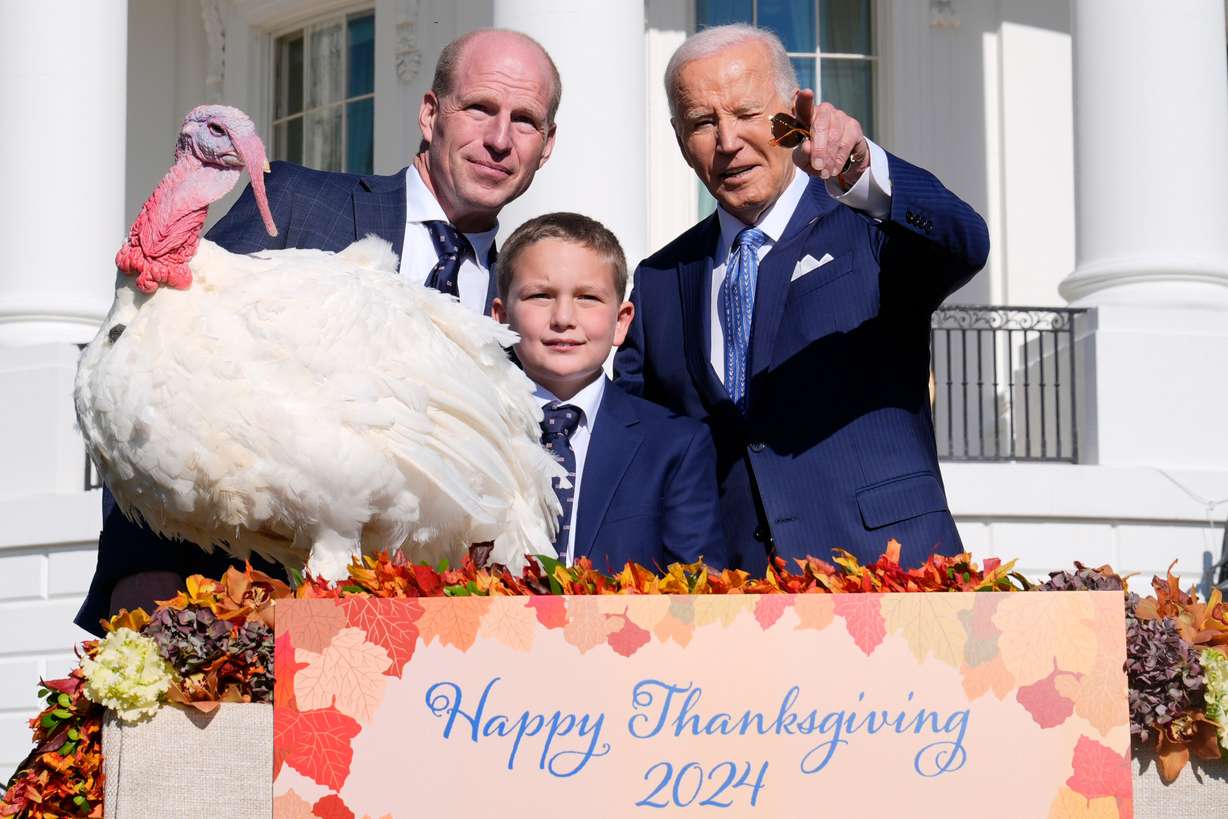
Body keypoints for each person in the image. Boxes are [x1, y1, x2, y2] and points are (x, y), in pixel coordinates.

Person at [76, 29, 562, 634]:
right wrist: (143, 583)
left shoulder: (532, 297)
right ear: (431, 112)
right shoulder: (298, 204)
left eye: (525, 121)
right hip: (241, 630)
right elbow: (154, 366)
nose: (498, 139)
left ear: (546, 146)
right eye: (480, 108)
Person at [613, 24, 990, 575]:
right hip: (735, 596)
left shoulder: (869, 228)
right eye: (703, 122)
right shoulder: (659, 279)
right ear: (679, 138)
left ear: (793, 115)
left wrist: (860, 168)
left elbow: (965, 242)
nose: (727, 141)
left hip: (891, 577)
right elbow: (635, 437)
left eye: (746, 113)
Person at [492, 212, 726, 572]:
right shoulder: (468, 433)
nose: (564, 318)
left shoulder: (676, 447)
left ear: (621, 321)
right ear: (501, 318)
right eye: (540, 295)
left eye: (587, 298)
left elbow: (698, 594)